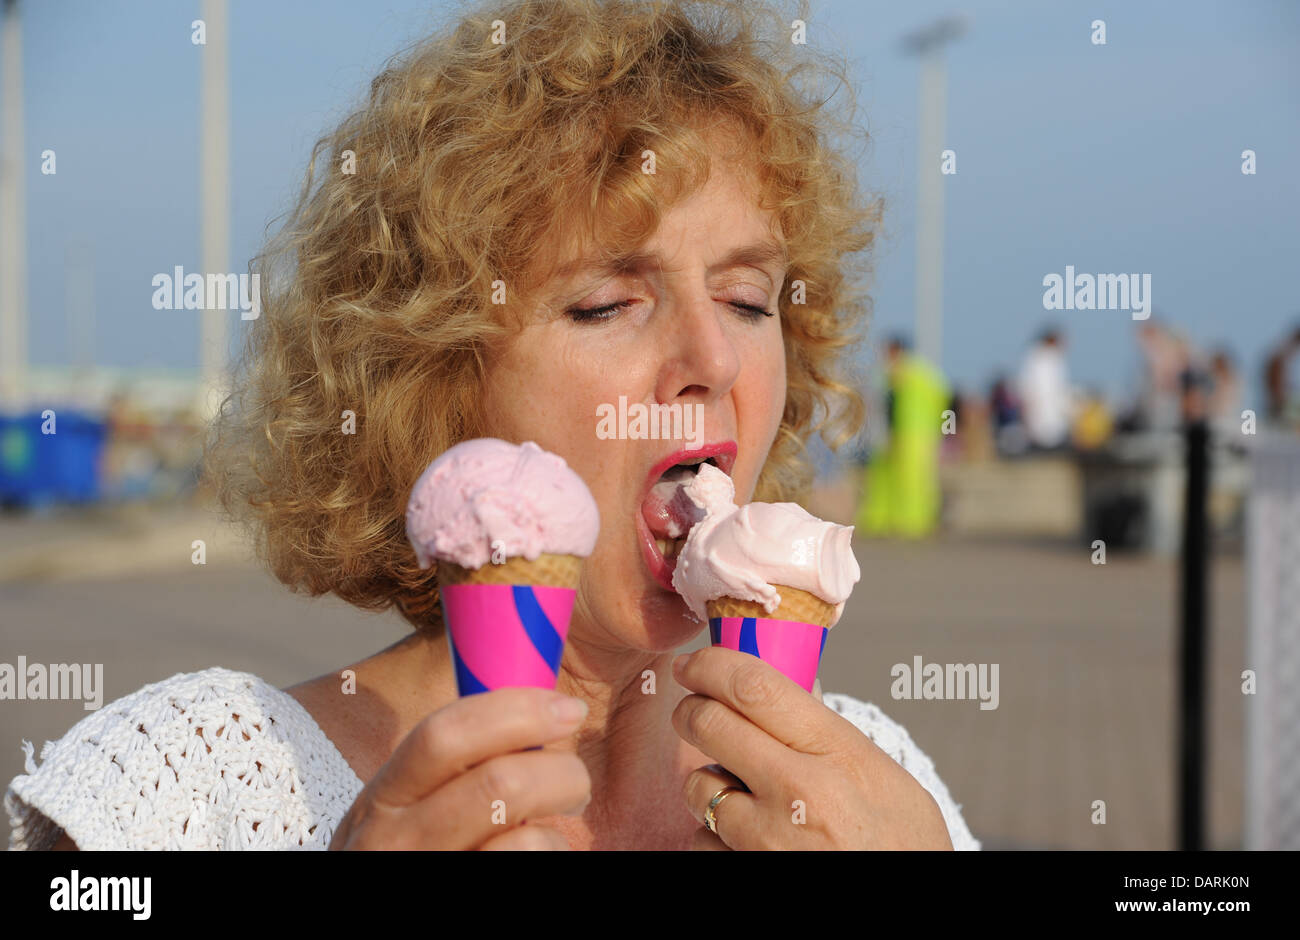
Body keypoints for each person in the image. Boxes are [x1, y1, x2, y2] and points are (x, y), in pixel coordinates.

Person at [5, 0, 976, 851]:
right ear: (435, 382)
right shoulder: (185, 786)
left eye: (746, 298)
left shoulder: (874, 784)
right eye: (605, 302)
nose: (713, 360)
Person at [856, 337, 950, 537]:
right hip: (924, 434)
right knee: (920, 480)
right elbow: (946, 403)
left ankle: (902, 521)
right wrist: (944, 432)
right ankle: (916, 520)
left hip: (905, 433)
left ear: (895, 351)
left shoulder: (898, 373)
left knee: (901, 480)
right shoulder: (927, 373)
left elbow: (886, 405)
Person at [1016, 327, 1072, 451]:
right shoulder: (1036, 359)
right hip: (1039, 411)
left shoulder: (1055, 360)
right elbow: (1027, 388)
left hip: (1054, 414)